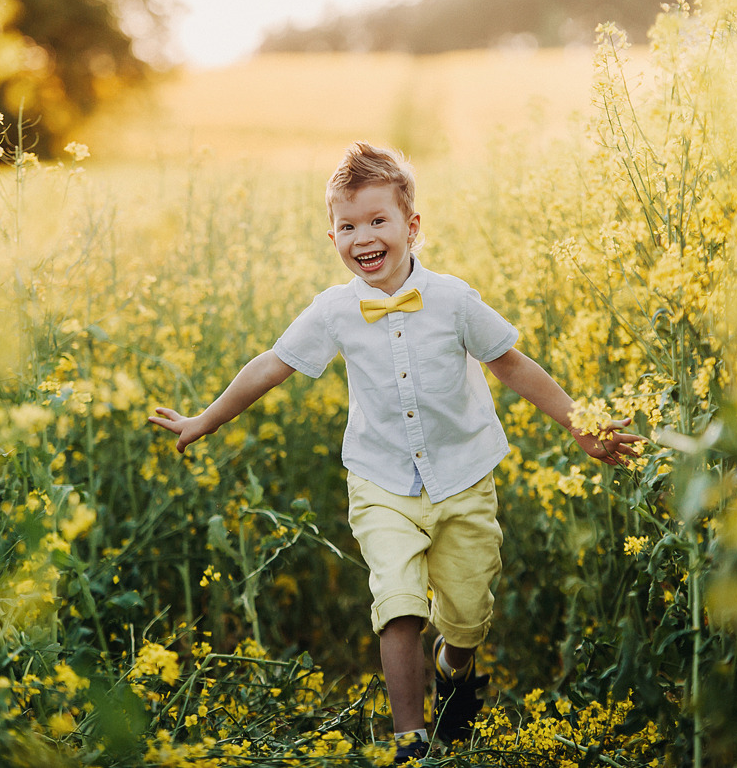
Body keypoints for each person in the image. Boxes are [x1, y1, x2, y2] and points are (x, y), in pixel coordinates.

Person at [150, 141, 642, 764]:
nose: (363, 237)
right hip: (381, 481)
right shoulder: (334, 309)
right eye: (347, 225)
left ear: (412, 227)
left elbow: (512, 364)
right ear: (331, 236)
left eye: (377, 221)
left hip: (463, 477)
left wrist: (581, 423)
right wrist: (206, 419)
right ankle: (412, 744)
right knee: (399, 605)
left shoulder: (454, 299)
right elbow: (272, 364)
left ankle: (456, 669)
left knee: (466, 614)